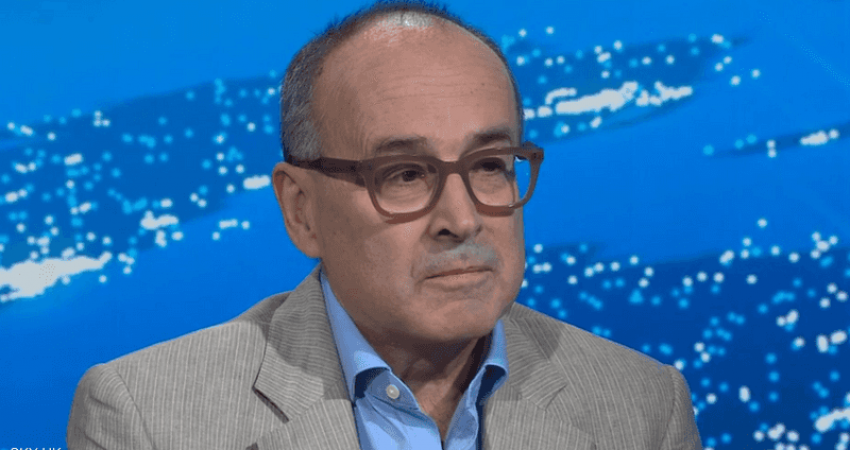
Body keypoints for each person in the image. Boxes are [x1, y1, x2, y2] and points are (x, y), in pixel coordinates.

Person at [67, 1, 703, 449]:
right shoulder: (148, 419)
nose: (462, 219)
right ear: (301, 210)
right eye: (404, 175)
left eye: (489, 165)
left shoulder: (642, 407)